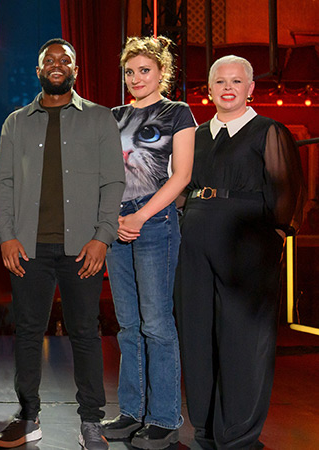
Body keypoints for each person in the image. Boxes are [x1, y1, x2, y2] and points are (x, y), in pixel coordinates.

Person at [0, 38, 124, 450]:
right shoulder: (15, 122)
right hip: (29, 248)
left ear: (75, 70)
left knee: (85, 332)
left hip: (83, 247)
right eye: (47, 59)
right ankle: (29, 416)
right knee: (29, 332)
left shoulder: (100, 120)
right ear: (38, 71)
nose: (55, 64)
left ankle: (90, 421)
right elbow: (5, 183)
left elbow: (113, 181)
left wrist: (103, 237)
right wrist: (6, 234)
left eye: (63, 59)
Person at [174, 55, 304, 449]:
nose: (227, 87)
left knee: (244, 340)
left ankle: (240, 435)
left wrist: (277, 236)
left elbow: (288, 191)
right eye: (219, 81)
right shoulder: (193, 136)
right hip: (194, 240)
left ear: (251, 88)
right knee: (196, 336)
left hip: (248, 243)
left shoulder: (268, 131)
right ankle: (208, 428)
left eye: (236, 81)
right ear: (209, 89)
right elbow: (179, 188)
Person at [99, 36, 195, 450]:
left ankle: (165, 418)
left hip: (154, 221)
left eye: (144, 70)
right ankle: (132, 412)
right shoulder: (113, 116)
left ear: (161, 73)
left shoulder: (178, 113)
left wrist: (140, 215)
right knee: (128, 325)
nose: (135, 78)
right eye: (129, 71)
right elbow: (103, 175)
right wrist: (113, 220)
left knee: (157, 324)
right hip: (116, 223)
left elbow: (182, 176)